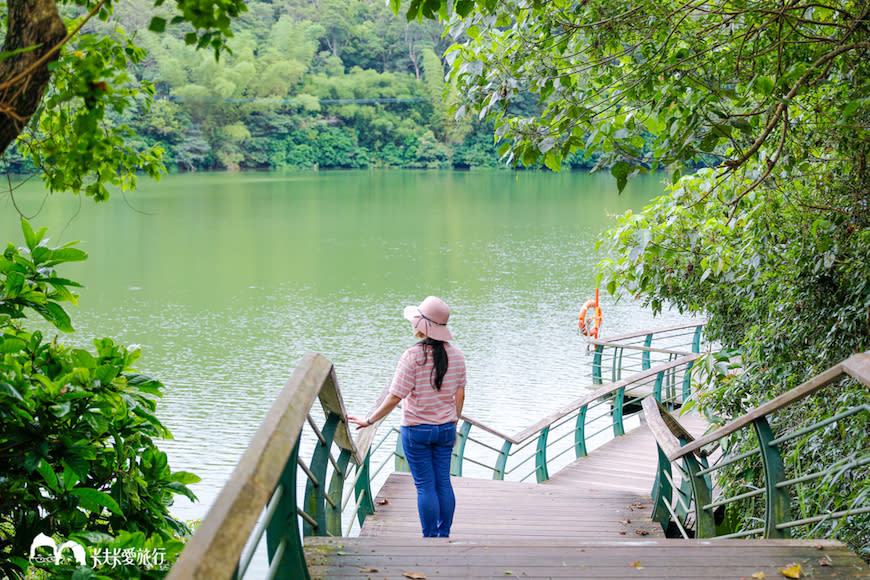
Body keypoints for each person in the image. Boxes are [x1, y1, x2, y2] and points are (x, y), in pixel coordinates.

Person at [348, 296, 466, 538]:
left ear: (421, 326)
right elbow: (460, 393)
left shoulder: (412, 356)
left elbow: (394, 397)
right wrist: (454, 423)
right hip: (445, 429)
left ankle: (429, 538)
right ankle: (443, 535)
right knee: (443, 482)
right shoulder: (457, 355)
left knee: (425, 486)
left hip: (416, 431)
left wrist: (369, 420)